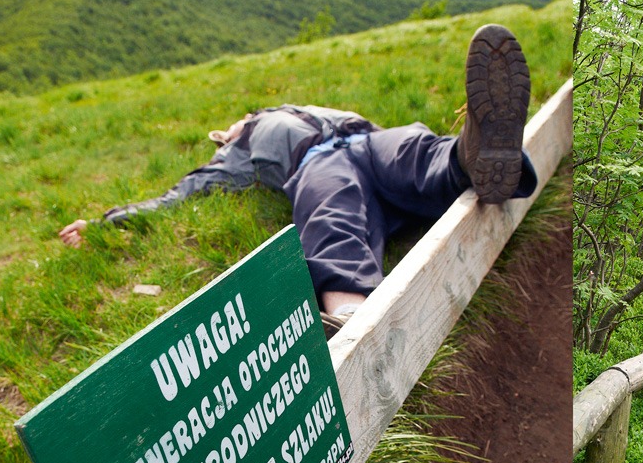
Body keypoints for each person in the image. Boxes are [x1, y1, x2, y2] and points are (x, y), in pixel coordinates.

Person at [58, 24, 536, 334]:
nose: (240, 120)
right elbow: (177, 196)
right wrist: (105, 224)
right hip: (318, 162)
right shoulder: (237, 152)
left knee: (414, 148)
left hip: (369, 139)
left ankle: (473, 155)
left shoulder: (286, 111)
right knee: (333, 210)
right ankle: (352, 322)